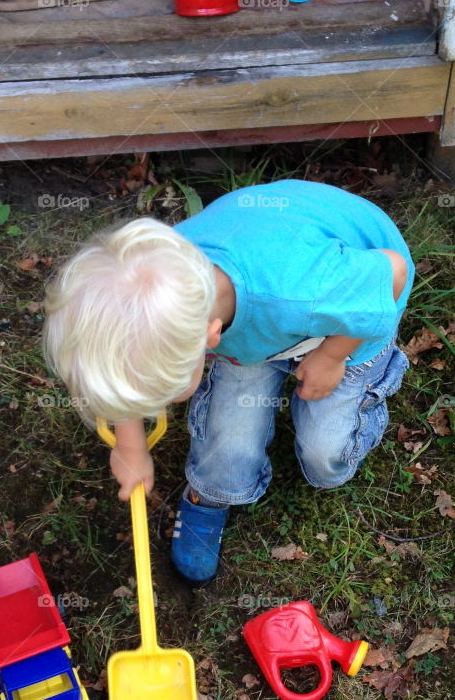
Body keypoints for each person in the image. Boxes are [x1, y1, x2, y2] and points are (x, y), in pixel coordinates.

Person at [43, 178, 414, 583]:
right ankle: (212, 492)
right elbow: (125, 366)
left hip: (352, 306)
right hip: (264, 317)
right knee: (228, 447)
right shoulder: (166, 285)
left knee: (325, 458)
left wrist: (330, 356)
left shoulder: (296, 289)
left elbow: (390, 272)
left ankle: (327, 378)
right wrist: (130, 446)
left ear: (208, 341)